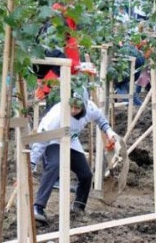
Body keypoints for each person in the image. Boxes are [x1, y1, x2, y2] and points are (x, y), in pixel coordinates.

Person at [31, 94, 118, 223]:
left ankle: (78, 207)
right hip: (53, 140)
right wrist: (31, 163)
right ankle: (38, 207)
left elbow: (101, 120)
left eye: (77, 108)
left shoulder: (90, 108)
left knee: (86, 175)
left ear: (84, 105)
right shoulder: (55, 117)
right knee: (54, 165)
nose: (74, 110)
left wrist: (110, 133)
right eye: (72, 107)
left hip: (71, 141)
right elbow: (41, 140)